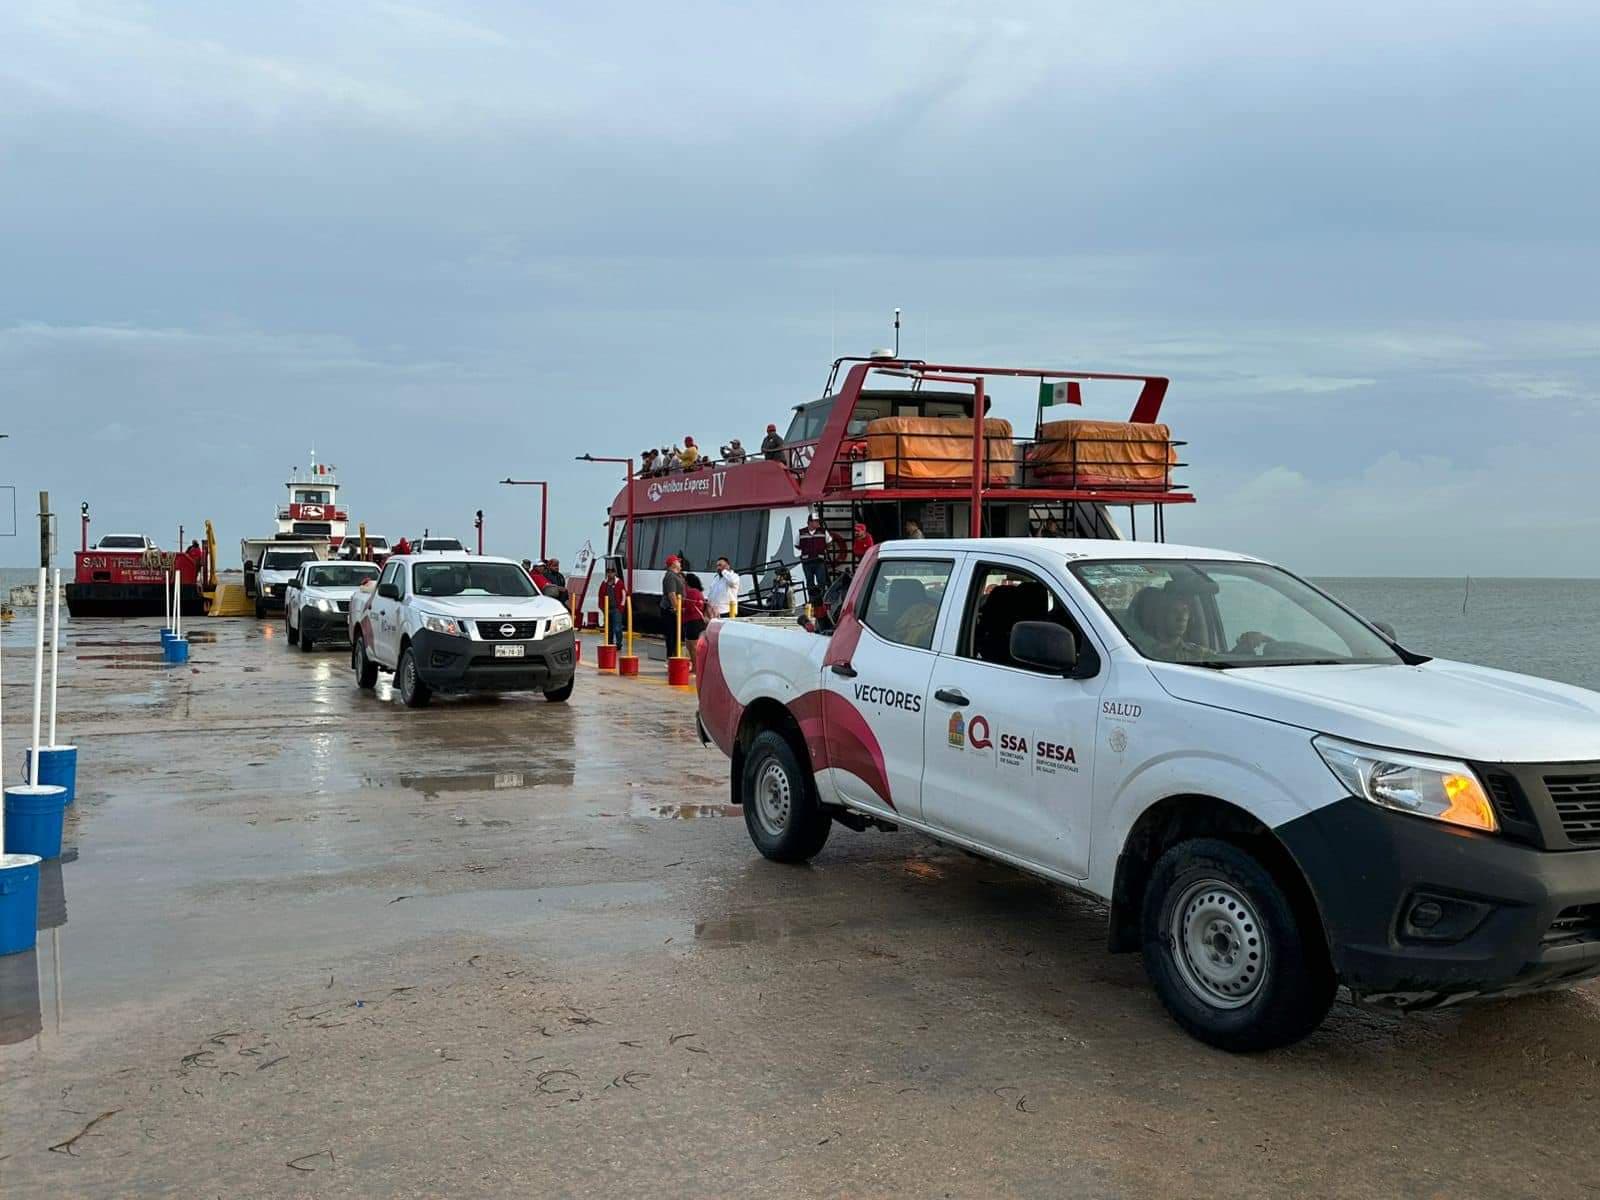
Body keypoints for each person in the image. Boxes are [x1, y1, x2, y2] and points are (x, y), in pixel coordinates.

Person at [797, 513, 828, 605]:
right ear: (810, 522)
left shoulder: (823, 532)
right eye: (816, 521)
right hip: (807, 562)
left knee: (821, 581)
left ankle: (821, 600)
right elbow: (797, 545)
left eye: (818, 521)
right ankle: (812, 601)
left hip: (819, 561)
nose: (818, 523)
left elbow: (829, 542)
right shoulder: (801, 532)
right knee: (809, 582)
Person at [659, 555, 686, 656]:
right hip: (670, 610)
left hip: (673, 609)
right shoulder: (670, 576)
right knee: (671, 635)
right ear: (673, 564)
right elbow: (672, 594)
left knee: (675, 635)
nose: (680, 564)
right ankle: (671, 657)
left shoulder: (677, 575)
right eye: (678, 562)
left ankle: (674, 655)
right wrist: (677, 609)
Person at [598, 563, 628, 647]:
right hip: (606, 609)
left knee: (617, 628)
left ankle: (619, 643)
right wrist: (601, 607)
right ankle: (609, 643)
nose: (610, 574)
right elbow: (600, 595)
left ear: (615, 573)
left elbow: (623, 595)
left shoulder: (619, 583)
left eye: (612, 572)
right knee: (608, 628)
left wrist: (621, 608)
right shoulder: (604, 583)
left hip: (616, 609)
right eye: (608, 572)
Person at [681, 572, 708, 662]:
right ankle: (695, 667)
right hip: (696, 621)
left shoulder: (691, 592)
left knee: (692, 646)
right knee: (692, 646)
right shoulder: (697, 592)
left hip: (693, 622)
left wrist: (681, 609)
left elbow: (690, 607)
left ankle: (696, 668)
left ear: (687, 582)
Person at [705, 555, 741, 619]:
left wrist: (724, 571)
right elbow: (711, 592)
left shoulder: (734, 576)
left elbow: (732, 581)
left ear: (727, 566)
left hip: (727, 612)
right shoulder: (716, 578)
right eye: (717, 566)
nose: (718, 568)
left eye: (720, 565)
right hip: (714, 612)